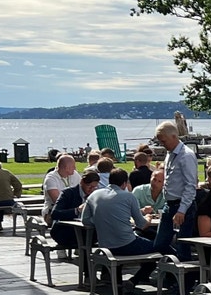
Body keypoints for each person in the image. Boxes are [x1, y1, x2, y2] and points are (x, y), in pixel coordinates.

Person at [83, 169, 157, 283]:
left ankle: (128, 281)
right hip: (127, 244)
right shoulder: (128, 196)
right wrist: (148, 218)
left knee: (149, 248)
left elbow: (85, 220)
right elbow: (142, 224)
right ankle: (137, 280)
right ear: (124, 183)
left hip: (105, 246)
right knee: (162, 246)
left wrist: (101, 221)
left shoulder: (94, 195)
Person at [152, 121, 200, 259]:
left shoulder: (186, 155)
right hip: (169, 204)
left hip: (182, 206)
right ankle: (177, 262)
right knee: (160, 244)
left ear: (174, 136)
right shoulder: (170, 153)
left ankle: (184, 269)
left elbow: (190, 185)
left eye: (164, 141)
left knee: (182, 246)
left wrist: (182, 210)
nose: (162, 144)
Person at [50, 170, 101, 248]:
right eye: (89, 186)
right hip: (66, 232)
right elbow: (55, 214)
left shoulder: (96, 195)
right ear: (81, 182)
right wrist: (77, 210)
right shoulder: (68, 193)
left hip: (88, 231)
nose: (92, 189)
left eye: (94, 187)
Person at [42, 155, 80, 222]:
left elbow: (82, 190)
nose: (75, 168)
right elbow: (57, 201)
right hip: (52, 212)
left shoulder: (75, 175)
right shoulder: (51, 178)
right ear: (67, 168)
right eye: (73, 166)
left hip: (73, 210)